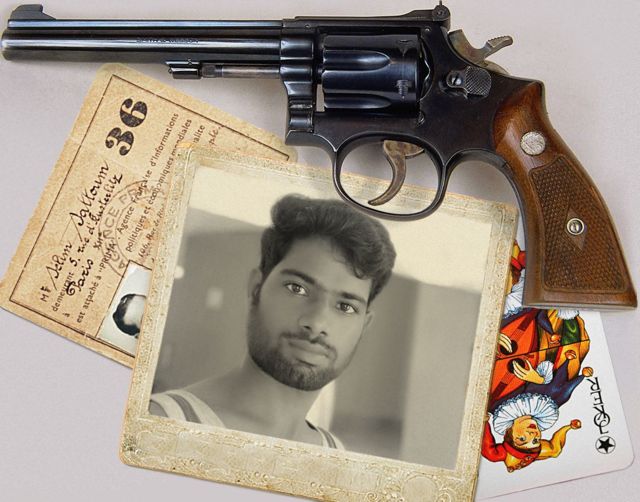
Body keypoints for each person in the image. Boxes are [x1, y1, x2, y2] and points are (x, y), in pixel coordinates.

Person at [149, 194, 396, 449]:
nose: (317, 323)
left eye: (345, 306)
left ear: (364, 326)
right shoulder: (163, 423)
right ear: (256, 288)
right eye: (297, 288)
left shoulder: (334, 451)